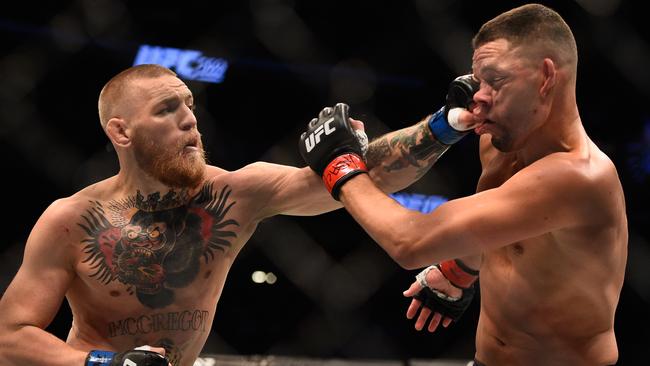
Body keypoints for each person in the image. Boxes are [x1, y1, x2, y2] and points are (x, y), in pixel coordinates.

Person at [300, 4, 627, 366]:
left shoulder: (578, 177)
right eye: (477, 81)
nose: (479, 97)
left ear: (546, 78)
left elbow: (411, 242)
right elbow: (495, 219)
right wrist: (460, 270)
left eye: (496, 81)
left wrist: (340, 166)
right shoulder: (500, 140)